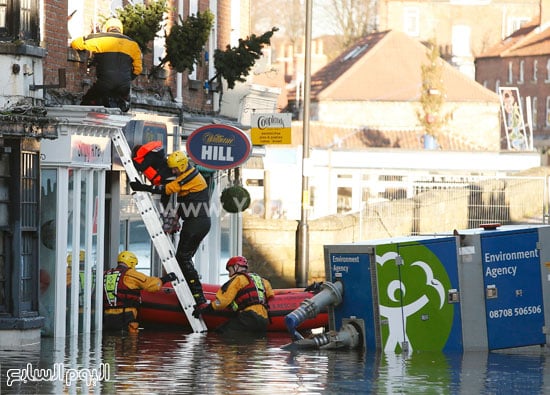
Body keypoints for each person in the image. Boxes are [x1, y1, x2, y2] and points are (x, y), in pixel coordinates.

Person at [129, 151, 211, 310]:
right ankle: (193, 293)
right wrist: (175, 221)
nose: (173, 172)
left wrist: (143, 187)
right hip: (197, 222)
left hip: (196, 223)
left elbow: (166, 189)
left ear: (181, 166)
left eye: (174, 169)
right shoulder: (189, 174)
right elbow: (187, 203)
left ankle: (198, 297)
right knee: (184, 259)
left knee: (183, 258)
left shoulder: (188, 177)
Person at [70, 17, 142, 112]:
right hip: (124, 86)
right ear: (121, 29)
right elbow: (138, 69)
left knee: (87, 100)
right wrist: (128, 78)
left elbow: (76, 43)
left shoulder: (101, 38)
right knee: (122, 106)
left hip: (104, 83)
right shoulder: (133, 44)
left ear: (107, 28)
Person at [193, 256, 275, 335]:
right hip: (264, 320)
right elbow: (270, 294)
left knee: (221, 333)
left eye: (230, 271)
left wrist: (205, 309)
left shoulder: (237, 279)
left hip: (249, 316)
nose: (229, 275)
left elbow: (222, 302)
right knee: (254, 343)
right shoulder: (261, 280)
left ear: (236, 267)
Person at [103, 250, 176, 333]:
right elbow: (150, 285)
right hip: (125, 314)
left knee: (110, 340)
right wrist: (165, 279)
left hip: (108, 316)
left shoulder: (106, 274)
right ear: (131, 262)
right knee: (128, 342)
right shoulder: (130, 274)